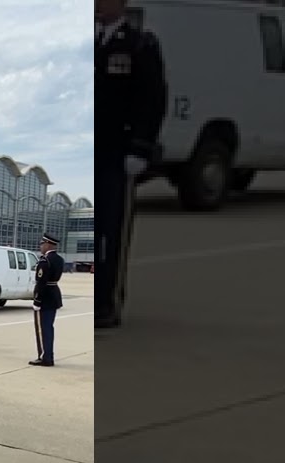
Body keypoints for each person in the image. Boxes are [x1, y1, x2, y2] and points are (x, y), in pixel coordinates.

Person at [97, 0, 167, 329]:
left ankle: (109, 303)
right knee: (94, 234)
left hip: (118, 155)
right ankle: (95, 299)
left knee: (115, 233)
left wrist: (141, 147)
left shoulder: (140, 44)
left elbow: (152, 99)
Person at [30, 233, 65, 367]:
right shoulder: (59, 259)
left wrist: (37, 301)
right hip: (54, 295)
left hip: (45, 298)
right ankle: (48, 355)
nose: (41, 246)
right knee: (48, 327)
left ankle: (45, 357)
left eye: (42, 244)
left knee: (42, 329)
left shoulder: (45, 261)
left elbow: (41, 282)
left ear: (48, 244)